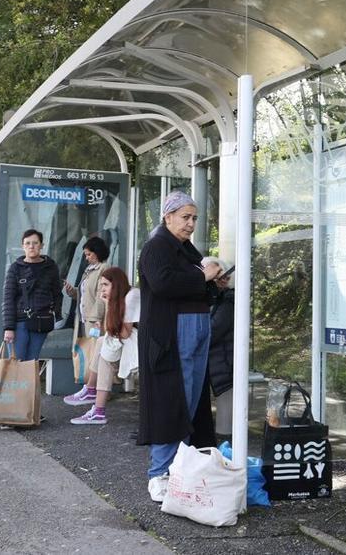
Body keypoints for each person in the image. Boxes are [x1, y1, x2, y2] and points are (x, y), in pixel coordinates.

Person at [136, 191, 222, 503]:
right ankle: (159, 473)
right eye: (185, 217)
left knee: (191, 400)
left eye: (194, 218)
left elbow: (193, 281)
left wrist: (213, 279)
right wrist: (203, 275)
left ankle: (179, 468)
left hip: (194, 330)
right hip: (171, 336)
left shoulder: (184, 248)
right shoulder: (156, 246)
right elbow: (164, 283)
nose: (190, 224)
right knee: (171, 401)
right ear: (167, 216)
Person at [64, 266, 140, 424]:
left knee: (105, 347)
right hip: (128, 339)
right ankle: (92, 394)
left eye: (105, 285)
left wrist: (109, 305)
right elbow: (110, 330)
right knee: (102, 341)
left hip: (144, 341)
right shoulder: (118, 299)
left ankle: (96, 405)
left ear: (116, 284)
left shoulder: (132, 296)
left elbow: (124, 333)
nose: (102, 289)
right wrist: (108, 304)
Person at [1, 229, 63, 362]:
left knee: (32, 362)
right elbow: (8, 299)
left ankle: (30, 384)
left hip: (40, 321)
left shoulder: (50, 267)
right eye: (27, 243)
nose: (31, 246)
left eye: (35, 243)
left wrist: (55, 314)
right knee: (17, 362)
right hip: (19, 322)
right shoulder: (15, 268)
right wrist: (9, 328)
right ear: (23, 246)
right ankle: (17, 384)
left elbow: (57, 293)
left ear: (41, 245)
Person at [202, 257, 234, 442]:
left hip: (220, 360)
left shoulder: (228, 301)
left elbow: (213, 331)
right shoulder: (211, 299)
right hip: (214, 359)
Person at [64, 236, 110, 337]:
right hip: (83, 318)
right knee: (83, 350)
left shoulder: (103, 269)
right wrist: (73, 291)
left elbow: (101, 297)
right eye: (85, 255)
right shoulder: (89, 269)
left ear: (97, 252)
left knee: (93, 349)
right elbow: (85, 293)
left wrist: (96, 319)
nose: (86, 258)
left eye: (89, 254)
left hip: (94, 320)